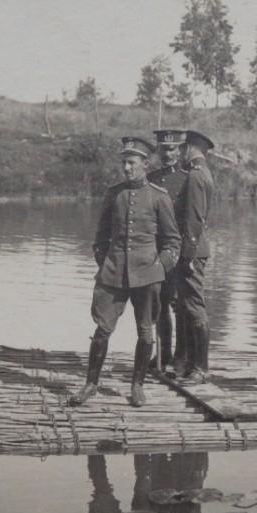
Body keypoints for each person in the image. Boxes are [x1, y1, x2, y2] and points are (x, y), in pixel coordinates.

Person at [69, 136, 180, 409]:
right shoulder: (114, 194)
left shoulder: (159, 197)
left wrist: (159, 268)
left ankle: (137, 386)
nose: (127, 168)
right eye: (124, 163)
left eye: (132, 163)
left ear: (145, 164)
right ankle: (91, 384)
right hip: (113, 273)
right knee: (102, 330)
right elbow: (100, 239)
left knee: (146, 332)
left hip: (147, 275)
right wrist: (105, 263)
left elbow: (172, 242)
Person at [175, 131, 216, 384]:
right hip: (194, 248)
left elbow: (194, 218)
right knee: (187, 305)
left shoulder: (195, 176)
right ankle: (191, 364)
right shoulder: (203, 173)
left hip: (192, 250)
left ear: (190, 149)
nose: (180, 153)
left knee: (193, 306)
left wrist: (188, 254)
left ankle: (200, 368)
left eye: (182, 149)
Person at [147, 130, 189, 373]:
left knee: (180, 305)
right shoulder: (150, 179)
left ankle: (182, 355)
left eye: (172, 149)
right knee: (159, 303)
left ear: (180, 151)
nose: (167, 154)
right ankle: (163, 354)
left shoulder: (187, 180)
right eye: (163, 149)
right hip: (156, 251)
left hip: (179, 251)